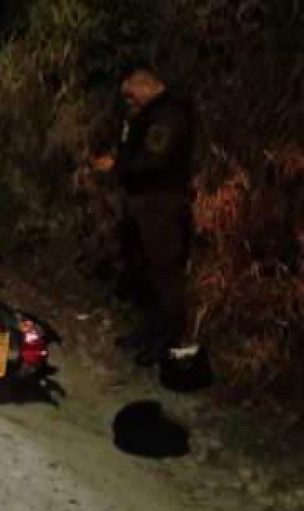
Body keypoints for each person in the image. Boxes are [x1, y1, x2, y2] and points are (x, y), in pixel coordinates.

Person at [90, 65, 196, 365]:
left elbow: (154, 159)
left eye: (131, 94)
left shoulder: (169, 114)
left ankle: (166, 339)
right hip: (140, 203)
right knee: (142, 270)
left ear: (145, 84)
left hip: (162, 204)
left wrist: (116, 166)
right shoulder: (144, 114)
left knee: (164, 273)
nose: (129, 101)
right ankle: (148, 331)